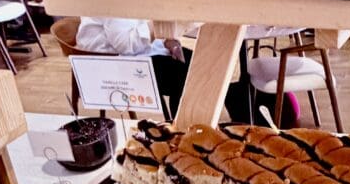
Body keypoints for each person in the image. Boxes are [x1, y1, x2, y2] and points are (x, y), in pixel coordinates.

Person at [75, 17, 300, 125]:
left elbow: (135, 37)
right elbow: (127, 43)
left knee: (211, 65)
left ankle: (243, 121)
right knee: (191, 76)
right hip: (114, 64)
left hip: (138, 53)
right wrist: (161, 25)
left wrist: (166, 40)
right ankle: (184, 128)